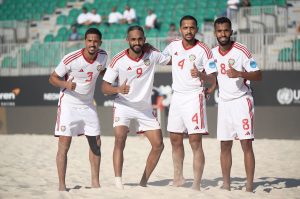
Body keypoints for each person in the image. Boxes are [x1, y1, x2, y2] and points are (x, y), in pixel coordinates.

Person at [101, 25, 171, 189]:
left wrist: (155, 48)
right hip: (123, 104)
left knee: (158, 145)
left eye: (140, 39)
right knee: (120, 138)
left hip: (144, 108)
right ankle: (118, 181)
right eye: (133, 39)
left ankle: (143, 182)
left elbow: (171, 60)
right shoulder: (118, 59)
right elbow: (104, 88)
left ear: (144, 40)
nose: (136, 42)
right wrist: (118, 89)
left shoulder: (152, 54)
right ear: (127, 40)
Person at [162, 15, 217, 190]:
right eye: (185, 28)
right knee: (175, 140)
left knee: (195, 142)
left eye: (192, 27)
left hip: (194, 97)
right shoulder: (173, 46)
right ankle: (178, 178)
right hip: (177, 96)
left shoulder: (204, 49)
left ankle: (196, 184)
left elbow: (213, 77)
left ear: (196, 28)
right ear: (180, 29)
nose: (188, 31)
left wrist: (201, 75)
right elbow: (161, 59)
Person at [49, 28, 108, 191]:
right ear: (85, 41)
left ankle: (95, 183)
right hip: (69, 104)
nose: (92, 44)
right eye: (89, 40)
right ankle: (62, 185)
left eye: (95, 41)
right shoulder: (71, 58)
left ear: (100, 43)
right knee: (64, 144)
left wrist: (112, 79)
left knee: (96, 143)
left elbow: (101, 71)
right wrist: (65, 84)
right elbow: (52, 78)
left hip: (88, 105)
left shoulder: (103, 56)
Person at [211, 17, 262, 192]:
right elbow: (213, 76)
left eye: (226, 30)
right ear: (215, 33)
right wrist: (211, 87)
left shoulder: (242, 51)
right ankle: (226, 185)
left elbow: (258, 74)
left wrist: (240, 73)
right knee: (225, 145)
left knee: (246, 144)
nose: (223, 34)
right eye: (219, 31)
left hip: (242, 101)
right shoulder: (212, 53)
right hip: (224, 104)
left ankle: (249, 187)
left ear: (231, 31)